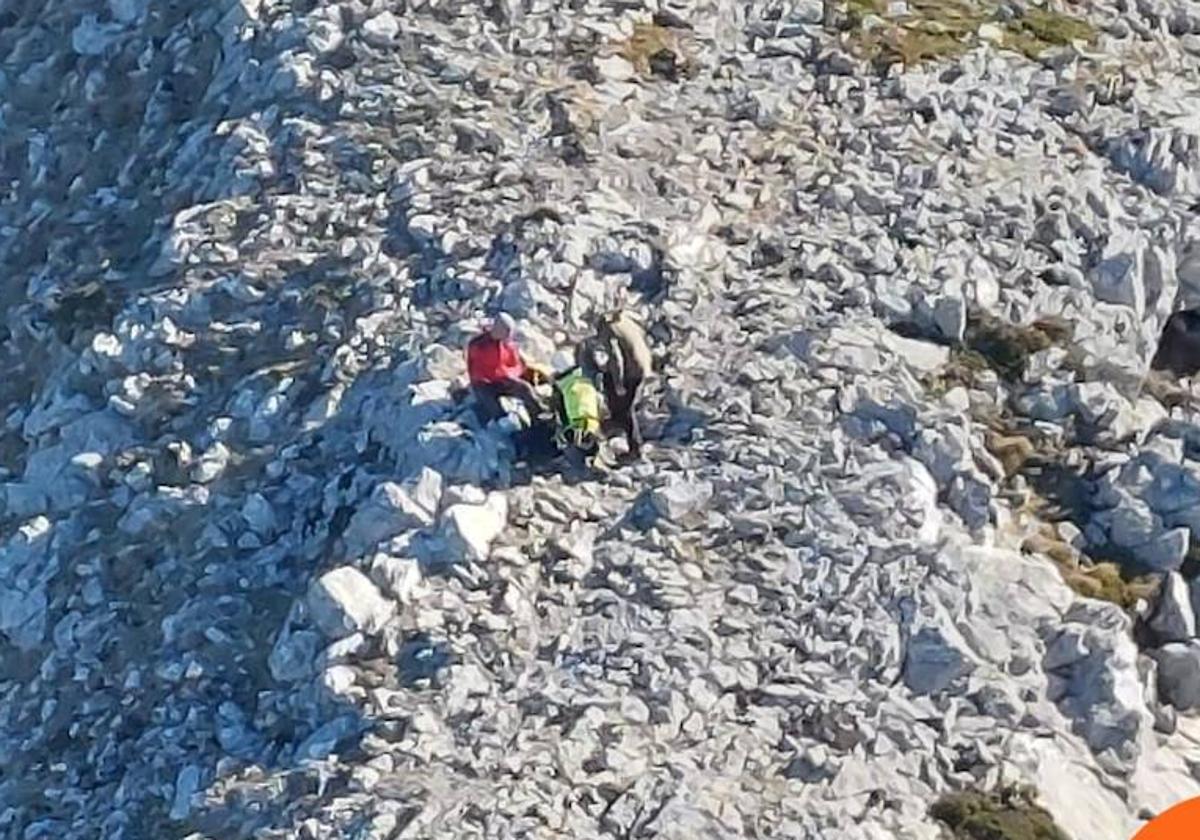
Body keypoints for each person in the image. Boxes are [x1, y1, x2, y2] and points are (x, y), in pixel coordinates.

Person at [466, 313, 546, 424]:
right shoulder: (478, 345)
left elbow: (516, 363)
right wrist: (505, 375)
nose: (508, 335)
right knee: (494, 408)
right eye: (506, 331)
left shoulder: (507, 344)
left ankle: (539, 418)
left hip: (502, 380)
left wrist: (525, 375)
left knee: (525, 389)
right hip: (483, 384)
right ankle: (504, 428)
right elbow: (478, 371)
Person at [594, 311, 653, 458]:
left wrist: (619, 383)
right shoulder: (625, 322)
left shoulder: (608, 329)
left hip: (631, 371)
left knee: (624, 410)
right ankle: (627, 440)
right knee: (623, 407)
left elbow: (616, 358)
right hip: (642, 365)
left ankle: (635, 448)